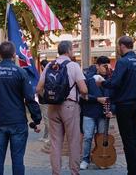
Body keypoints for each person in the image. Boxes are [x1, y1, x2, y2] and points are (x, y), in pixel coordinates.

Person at [0, 41, 42, 175]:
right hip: (17, 122)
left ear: (0, 55)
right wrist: (36, 119)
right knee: (18, 160)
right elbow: (29, 98)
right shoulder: (20, 72)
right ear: (14, 55)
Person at [36, 40, 88, 175]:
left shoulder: (48, 66)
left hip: (53, 107)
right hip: (70, 106)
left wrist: (48, 99)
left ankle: (56, 172)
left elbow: (38, 88)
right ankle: (74, 172)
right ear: (69, 51)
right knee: (74, 142)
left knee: (55, 143)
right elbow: (84, 89)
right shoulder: (73, 66)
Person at [96, 36, 136, 175]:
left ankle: (132, 172)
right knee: (133, 139)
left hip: (125, 105)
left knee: (127, 141)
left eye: (118, 46)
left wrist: (102, 82)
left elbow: (115, 83)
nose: (118, 49)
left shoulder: (123, 62)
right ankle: (133, 170)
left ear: (122, 46)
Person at [79, 56, 113, 170]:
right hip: (89, 112)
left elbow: (114, 98)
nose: (106, 68)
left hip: (104, 114)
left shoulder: (110, 80)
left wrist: (112, 110)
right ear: (97, 66)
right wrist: (97, 99)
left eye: (108, 65)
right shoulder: (88, 78)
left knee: (101, 137)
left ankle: (99, 158)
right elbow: (83, 96)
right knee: (88, 137)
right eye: (104, 66)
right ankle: (85, 159)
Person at [38, 59, 49, 142]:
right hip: (49, 101)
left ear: (42, 66)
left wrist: (43, 97)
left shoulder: (44, 75)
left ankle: (48, 137)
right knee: (48, 119)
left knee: (46, 119)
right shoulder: (50, 74)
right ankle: (46, 136)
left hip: (44, 102)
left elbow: (39, 89)